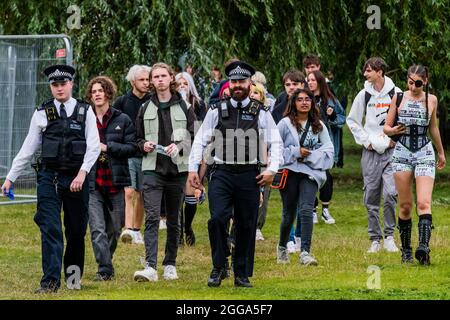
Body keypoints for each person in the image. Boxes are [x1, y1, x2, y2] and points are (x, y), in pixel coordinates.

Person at [1, 65, 100, 293]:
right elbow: (28, 148)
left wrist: (82, 173)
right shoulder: (42, 113)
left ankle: (73, 279)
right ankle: (50, 283)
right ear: (50, 87)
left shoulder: (85, 111)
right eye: (54, 85)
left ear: (71, 84)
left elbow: (93, 147)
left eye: (63, 84)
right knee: (50, 229)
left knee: (76, 230)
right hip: (50, 179)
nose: (59, 88)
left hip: (77, 179)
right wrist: (10, 178)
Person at [188, 60, 283, 288]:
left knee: (246, 224)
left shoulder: (260, 112)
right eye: (234, 81)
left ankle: (242, 273)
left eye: (242, 81)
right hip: (221, 173)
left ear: (250, 84)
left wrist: (271, 170)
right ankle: (219, 266)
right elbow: (200, 140)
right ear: (228, 84)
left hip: (249, 175)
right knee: (217, 219)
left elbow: (276, 143)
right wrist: (193, 169)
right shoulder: (216, 110)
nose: (237, 85)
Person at [133, 62, 196, 282]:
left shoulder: (185, 107)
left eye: (163, 76)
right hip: (152, 169)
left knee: (173, 219)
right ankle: (150, 265)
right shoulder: (145, 108)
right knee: (151, 217)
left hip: (177, 169)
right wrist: (144, 146)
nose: (159, 80)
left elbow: (192, 136)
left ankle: (170, 263)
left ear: (171, 79)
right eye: (155, 77)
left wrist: (178, 146)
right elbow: (137, 139)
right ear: (151, 81)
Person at [383, 65, 446, 265]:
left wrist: (441, 151)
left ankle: (424, 248)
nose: (413, 86)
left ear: (425, 81)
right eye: (410, 82)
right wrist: (392, 131)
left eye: (418, 83)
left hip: (424, 151)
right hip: (402, 151)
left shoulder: (432, 99)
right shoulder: (399, 98)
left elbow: (433, 128)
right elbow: (386, 126)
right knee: (405, 205)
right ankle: (406, 250)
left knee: (424, 203)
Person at [347, 57, 401, 253]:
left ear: (379, 71)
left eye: (369, 70)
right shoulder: (364, 95)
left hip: (392, 151)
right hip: (370, 153)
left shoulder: (397, 93)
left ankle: (389, 236)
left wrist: (398, 137)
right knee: (371, 196)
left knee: (390, 194)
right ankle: (375, 239)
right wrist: (366, 141)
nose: (365, 74)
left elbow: (406, 120)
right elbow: (352, 121)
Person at [85, 76, 137, 281]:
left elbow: (132, 148)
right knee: (97, 228)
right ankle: (105, 269)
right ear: (90, 95)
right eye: (94, 91)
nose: (97, 94)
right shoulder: (85, 119)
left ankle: (107, 258)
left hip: (116, 181)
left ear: (108, 93)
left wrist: (108, 148)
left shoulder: (122, 119)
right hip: (92, 182)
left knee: (114, 230)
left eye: (101, 90)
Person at [276, 88, 334, 266]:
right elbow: (275, 149)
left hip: (311, 173)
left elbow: (329, 151)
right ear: (293, 103)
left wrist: (309, 156)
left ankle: (305, 253)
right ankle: (282, 247)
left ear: (312, 103)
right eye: (299, 99)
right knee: (289, 214)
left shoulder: (319, 125)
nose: (304, 102)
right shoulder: (285, 124)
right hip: (290, 172)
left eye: (307, 99)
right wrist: (295, 152)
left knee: (307, 209)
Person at [114, 65, 151, 245]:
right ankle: (127, 229)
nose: (146, 83)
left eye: (147, 79)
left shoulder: (153, 101)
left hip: (147, 153)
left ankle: (136, 230)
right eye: (142, 80)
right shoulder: (122, 102)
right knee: (128, 192)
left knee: (142, 193)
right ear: (132, 81)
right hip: (127, 152)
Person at [307, 70, 346, 224]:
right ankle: (312, 209)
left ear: (320, 82)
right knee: (309, 177)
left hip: (325, 144)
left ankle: (325, 209)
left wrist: (333, 117)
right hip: (309, 144)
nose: (310, 82)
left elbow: (342, 119)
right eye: (308, 80)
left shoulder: (330, 100)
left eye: (313, 80)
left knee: (326, 177)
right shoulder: (304, 98)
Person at [175, 71, 207, 245]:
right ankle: (178, 232)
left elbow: (200, 128)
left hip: (193, 148)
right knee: (177, 194)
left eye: (185, 84)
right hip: (175, 150)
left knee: (191, 193)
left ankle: (188, 226)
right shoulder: (171, 103)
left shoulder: (199, 104)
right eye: (178, 84)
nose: (181, 87)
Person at [250, 82, 270, 241]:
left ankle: (257, 226)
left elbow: (271, 139)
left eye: (255, 93)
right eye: (250, 93)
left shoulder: (265, 114)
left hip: (263, 158)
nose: (252, 95)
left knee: (263, 193)